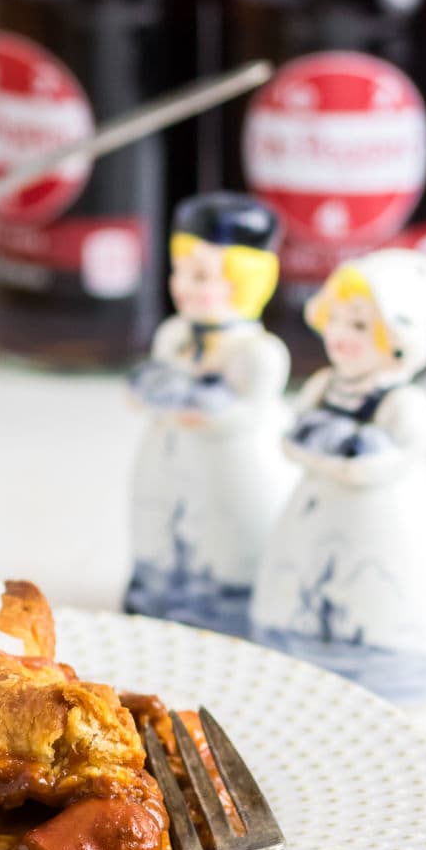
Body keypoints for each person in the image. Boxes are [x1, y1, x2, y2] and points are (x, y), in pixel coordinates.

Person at [251, 250, 426, 702]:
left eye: (360, 325)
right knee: (304, 578)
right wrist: (332, 456)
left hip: (382, 517)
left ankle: (380, 668)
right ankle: (298, 659)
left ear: (399, 336)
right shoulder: (324, 386)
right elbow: (290, 439)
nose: (342, 335)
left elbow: (397, 456)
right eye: (337, 320)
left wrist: (347, 459)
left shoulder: (403, 403)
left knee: (371, 585)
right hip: (318, 504)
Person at [124, 192, 292, 636]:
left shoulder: (258, 353)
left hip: (232, 468)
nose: (182, 285)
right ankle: (158, 597)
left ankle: (224, 606)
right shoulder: (173, 335)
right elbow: (146, 391)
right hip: (170, 456)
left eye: (200, 275)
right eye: (180, 271)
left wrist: (194, 403)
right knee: (161, 524)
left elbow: (238, 413)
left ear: (243, 281)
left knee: (222, 536)